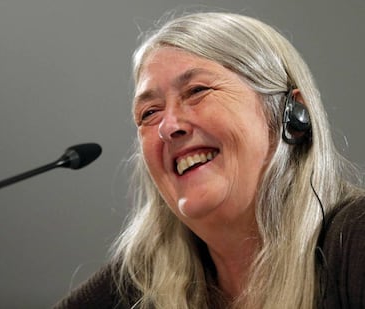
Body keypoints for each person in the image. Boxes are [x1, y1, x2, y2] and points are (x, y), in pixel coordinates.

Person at [55, 11, 365, 308]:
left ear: (293, 114)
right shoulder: (133, 286)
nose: (168, 126)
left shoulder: (355, 240)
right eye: (149, 113)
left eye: (197, 91)